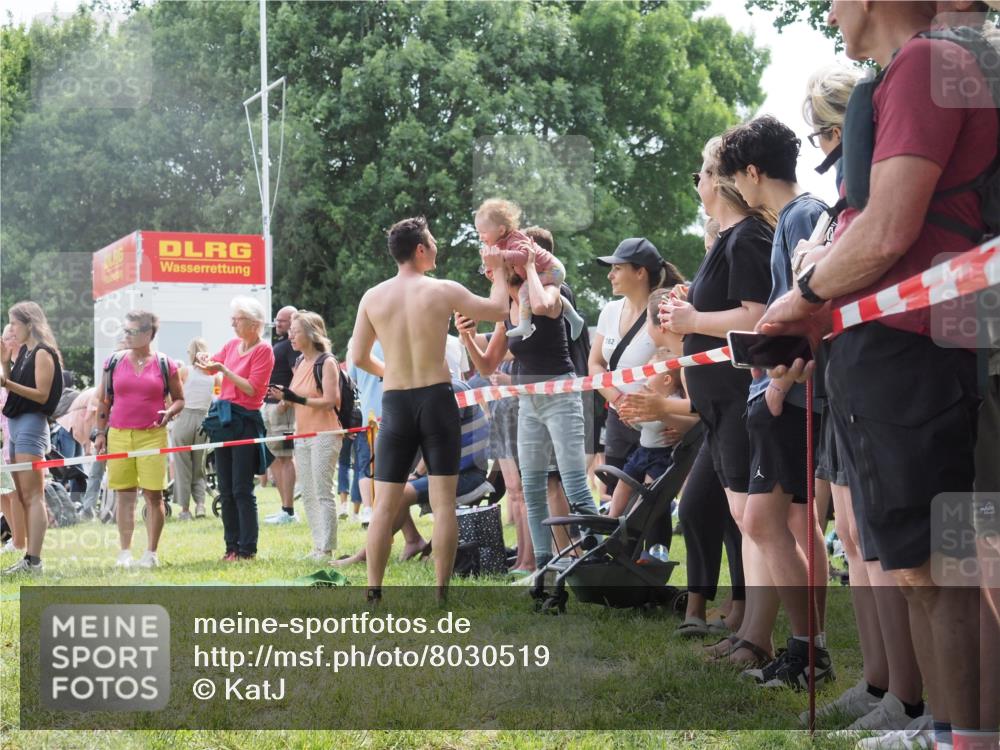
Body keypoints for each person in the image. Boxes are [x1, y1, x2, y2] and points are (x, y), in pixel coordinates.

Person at [759, 1, 997, 744]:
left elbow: (891, 225)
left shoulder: (929, 62)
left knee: (940, 566)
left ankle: (962, 733)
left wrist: (800, 297)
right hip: (893, 347)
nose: (831, 9)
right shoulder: (914, 68)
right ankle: (948, 727)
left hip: (916, 351)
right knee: (922, 568)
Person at [716, 114, 836, 690]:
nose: (734, 186)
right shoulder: (796, 215)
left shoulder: (802, 216)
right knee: (781, 523)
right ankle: (805, 650)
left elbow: (808, 309)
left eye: (736, 175)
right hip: (776, 390)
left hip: (787, 394)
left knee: (764, 522)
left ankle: (807, 650)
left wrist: (780, 387)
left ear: (753, 172)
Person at [660, 136, 775, 669]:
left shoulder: (746, 236)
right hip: (719, 407)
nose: (697, 186)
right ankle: (747, 632)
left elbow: (756, 316)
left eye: (700, 175)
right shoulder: (728, 239)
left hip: (736, 399)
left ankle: (758, 638)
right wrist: (693, 309)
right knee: (736, 517)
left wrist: (692, 321)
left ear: (720, 180)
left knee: (751, 521)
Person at [351, 216, 509, 600]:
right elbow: (500, 310)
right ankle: (441, 592)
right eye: (433, 242)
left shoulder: (373, 296)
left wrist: (391, 371)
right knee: (443, 504)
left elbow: (356, 355)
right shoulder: (443, 290)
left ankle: (374, 591)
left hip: (397, 401)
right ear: (420, 250)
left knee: (384, 504)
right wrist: (501, 268)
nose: (437, 247)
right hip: (437, 400)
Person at [458, 244, 599, 574]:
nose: (486, 274)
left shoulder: (547, 291)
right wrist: (466, 338)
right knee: (532, 487)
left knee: (574, 482)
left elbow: (544, 306)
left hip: (560, 397)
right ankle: (543, 567)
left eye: (489, 269)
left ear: (507, 268)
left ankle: (598, 554)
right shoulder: (505, 310)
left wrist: (532, 268)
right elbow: (487, 365)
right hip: (529, 403)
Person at [331, 377, 491, 568]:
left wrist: (415, 473)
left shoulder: (450, 392)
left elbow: (437, 444)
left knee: (400, 493)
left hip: (467, 474)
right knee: (391, 488)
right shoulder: (432, 390)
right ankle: (413, 540)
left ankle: (365, 555)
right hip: (449, 471)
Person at [589, 238, 683, 493]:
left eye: (617, 268)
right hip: (618, 420)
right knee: (613, 497)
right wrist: (619, 401)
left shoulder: (665, 311)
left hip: (658, 425)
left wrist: (678, 418)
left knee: (653, 508)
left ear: (640, 272)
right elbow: (595, 365)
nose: (610, 275)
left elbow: (685, 365)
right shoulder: (609, 311)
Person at [92, 310, 184, 569]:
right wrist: (100, 433)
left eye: (132, 331)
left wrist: (171, 411)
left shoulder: (166, 364)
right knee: (125, 496)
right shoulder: (113, 362)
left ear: (148, 334)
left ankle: (151, 553)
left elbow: (180, 398)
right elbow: (104, 400)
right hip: (119, 435)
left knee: (154, 496)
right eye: (125, 330)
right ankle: (124, 553)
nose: (126, 335)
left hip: (152, 436)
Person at [196, 297, 275, 561]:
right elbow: (210, 368)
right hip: (224, 420)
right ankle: (231, 547)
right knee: (225, 489)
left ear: (254, 323)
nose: (232, 324)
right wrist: (203, 359)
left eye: (237, 319)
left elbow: (253, 389)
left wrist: (223, 370)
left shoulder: (264, 351)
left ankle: (247, 549)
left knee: (242, 488)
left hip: (245, 421)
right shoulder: (231, 345)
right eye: (233, 319)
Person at [267, 311, 342, 562]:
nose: (291, 336)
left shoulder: (326, 362)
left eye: (295, 332)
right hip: (303, 433)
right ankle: (317, 546)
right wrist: (284, 400)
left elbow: (330, 401)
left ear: (311, 334)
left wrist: (294, 398)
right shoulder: (299, 363)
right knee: (308, 492)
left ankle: (327, 548)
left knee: (322, 491)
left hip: (325, 433)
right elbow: (297, 397)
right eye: (290, 332)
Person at [1, 302, 63, 575]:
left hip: (31, 425)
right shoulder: (26, 353)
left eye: (14, 323)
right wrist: (5, 362)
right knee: (24, 496)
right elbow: (14, 388)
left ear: (30, 323)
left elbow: (40, 394)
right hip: (16, 426)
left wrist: (7, 382)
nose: (12, 329)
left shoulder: (42, 353)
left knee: (33, 495)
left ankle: (34, 560)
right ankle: (28, 556)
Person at [475, 198, 585, 341]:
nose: (480, 237)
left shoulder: (516, 239)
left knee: (525, 291)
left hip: (554, 270)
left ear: (501, 230)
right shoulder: (502, 242)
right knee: (534, 291)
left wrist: (501, 256)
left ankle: (525, 325)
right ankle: (574, 318)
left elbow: (525, 256)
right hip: (549, 271)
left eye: (483, 232)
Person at [607, 348, 685, 519]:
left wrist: (637, 415)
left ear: (666, 379)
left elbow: (658, 424)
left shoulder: (675, 402)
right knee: (624, 482)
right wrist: (631, 420)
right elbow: (643, 428)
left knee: (649, 493)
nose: (644, 377)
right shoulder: (653, 400)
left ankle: (635, 520)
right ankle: (612, 516)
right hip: (643, 451)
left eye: (649, 372)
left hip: (662, 456)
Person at [262, 305, 299, 525]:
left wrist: (287, 399)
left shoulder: (291, 347)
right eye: (276, 320)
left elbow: (298, 374)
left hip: (281, 409)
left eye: (282, 321)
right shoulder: (280, 345)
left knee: (285, 457)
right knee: (274, 457)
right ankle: (283, 509)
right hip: (269, 406)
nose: (278, 323)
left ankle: (289, 510)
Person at [172, 337, 216, 520]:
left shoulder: (184, 372)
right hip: (204, 419)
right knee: (199, 466)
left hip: (184, 418)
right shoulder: (215, 376)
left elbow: (174, 394)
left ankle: (184, 509)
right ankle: (200, 505)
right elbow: (217, 397)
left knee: (182, 465)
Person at [346, 338, 383, 524]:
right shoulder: (394, 342)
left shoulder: (358, 346)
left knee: (365, 465)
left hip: (367, 416)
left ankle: (368, 509)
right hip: (393, 413)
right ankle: (381, 508)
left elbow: (350, 383)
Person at [0, 324, 25, 553]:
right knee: (2, 493)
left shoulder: (20, 367)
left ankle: (19, 542)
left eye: (9, 335)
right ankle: (14, 538)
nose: (5, 339)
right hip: (3, 436)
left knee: (15, 492)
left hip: (14, 436)